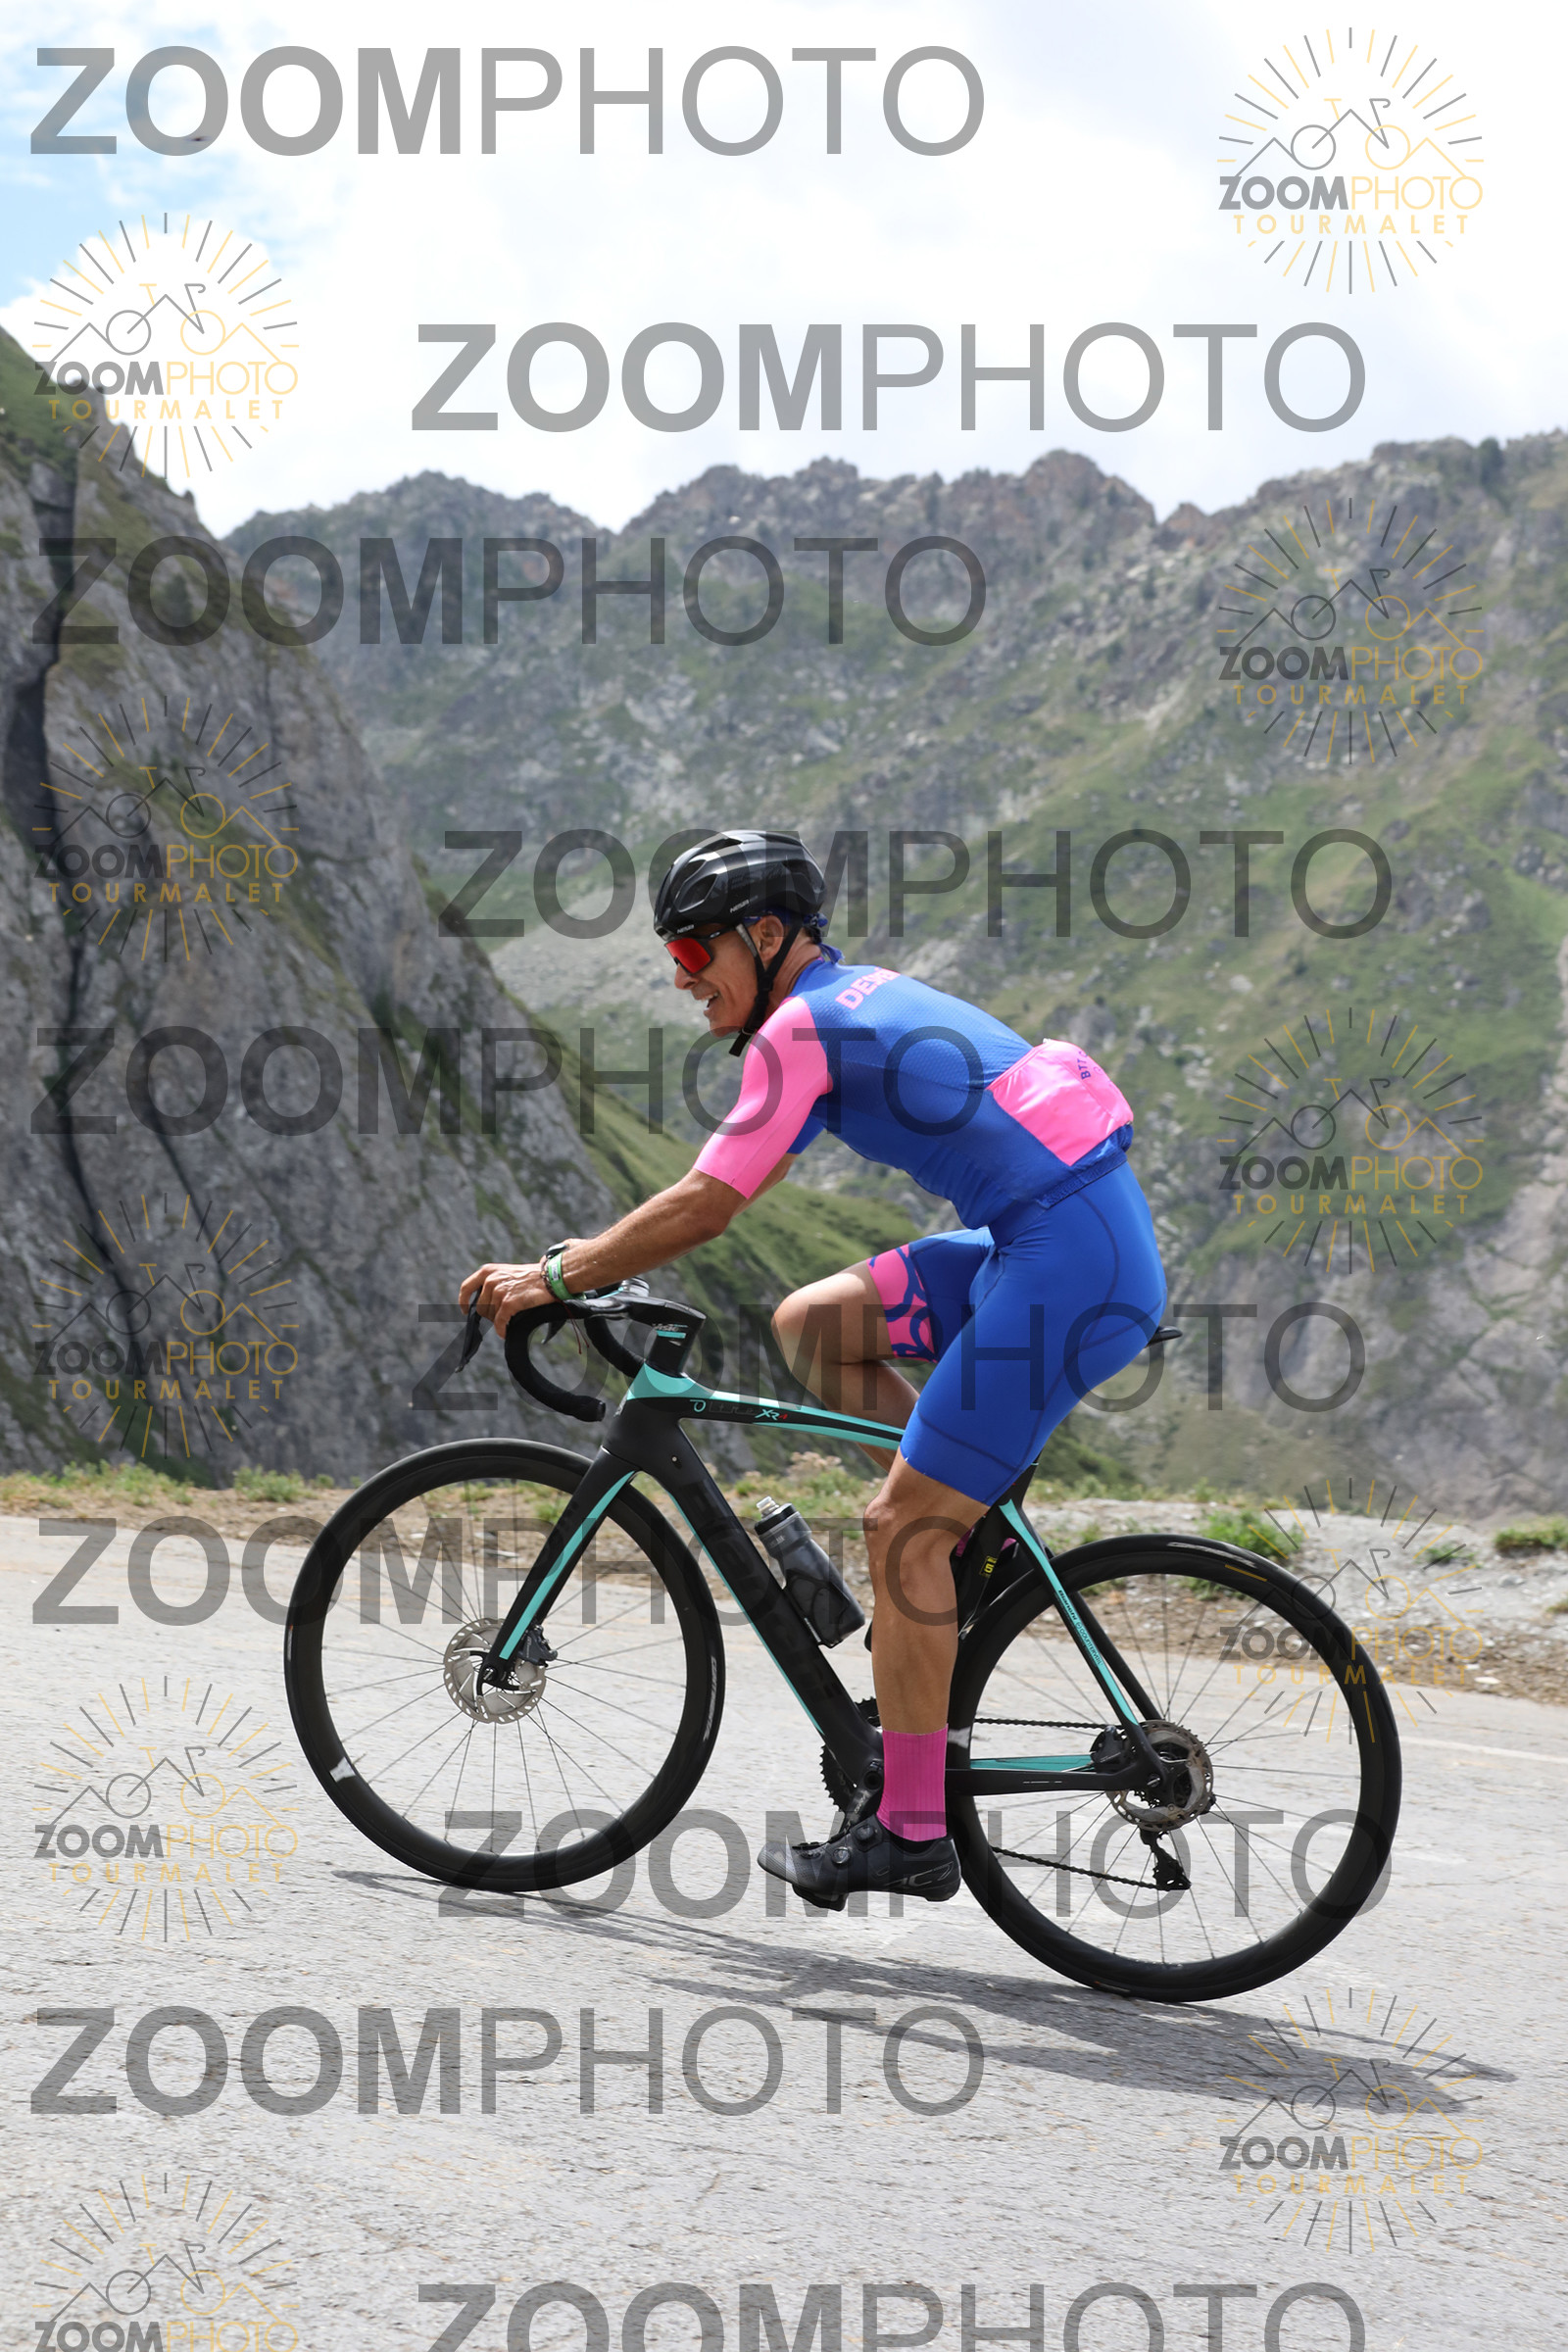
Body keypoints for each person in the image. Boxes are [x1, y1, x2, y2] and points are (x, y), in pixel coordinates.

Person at [461, 829, 1166, 1908]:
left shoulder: (801, 1030)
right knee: (815, 1325)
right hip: (1056, 1239)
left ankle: (911, 1832)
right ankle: (961, 1527)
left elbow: (707, 1204)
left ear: (766, 935)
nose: (682, 978)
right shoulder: (841, 1003)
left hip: (1066, 1262)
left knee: (898, 1531)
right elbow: (738, 1181)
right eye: (672, 957)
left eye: (694, 952)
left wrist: (557, 1275)